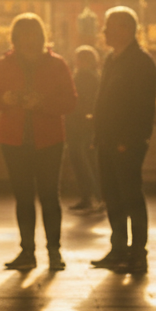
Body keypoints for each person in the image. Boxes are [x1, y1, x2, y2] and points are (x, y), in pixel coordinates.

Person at [0, 13, 77, 271]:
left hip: (50, 141)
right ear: (15, 39)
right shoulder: (4, 65)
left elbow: (71, 101)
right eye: (23, 37)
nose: (29, 42)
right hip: (13, 140)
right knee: (23, 197)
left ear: (42, 37)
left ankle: (54, 252)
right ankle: (27, 252)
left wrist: (43, 103)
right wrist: (6, 99)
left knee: (49, 196)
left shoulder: (57, 65)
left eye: (34, 36)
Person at [91, 7, 156, 273]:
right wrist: (99, 135)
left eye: (109, 26)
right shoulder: (111, 59)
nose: (104, 31)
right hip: (107, 141)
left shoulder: (141, 63)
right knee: (112, 196)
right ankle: (118, 247)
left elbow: (143, 108)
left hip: (126, 143)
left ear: (126, 30)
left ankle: (137, 252)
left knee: (131, 195)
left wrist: (128, 139)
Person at [65, 45, 103, 215]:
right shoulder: (95, 76)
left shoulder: (82, 76)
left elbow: (76, 98)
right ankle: (90, 197)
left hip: (78, 123)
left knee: (81, 160)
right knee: (87, 159)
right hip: (86, 123)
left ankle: (95, 196)